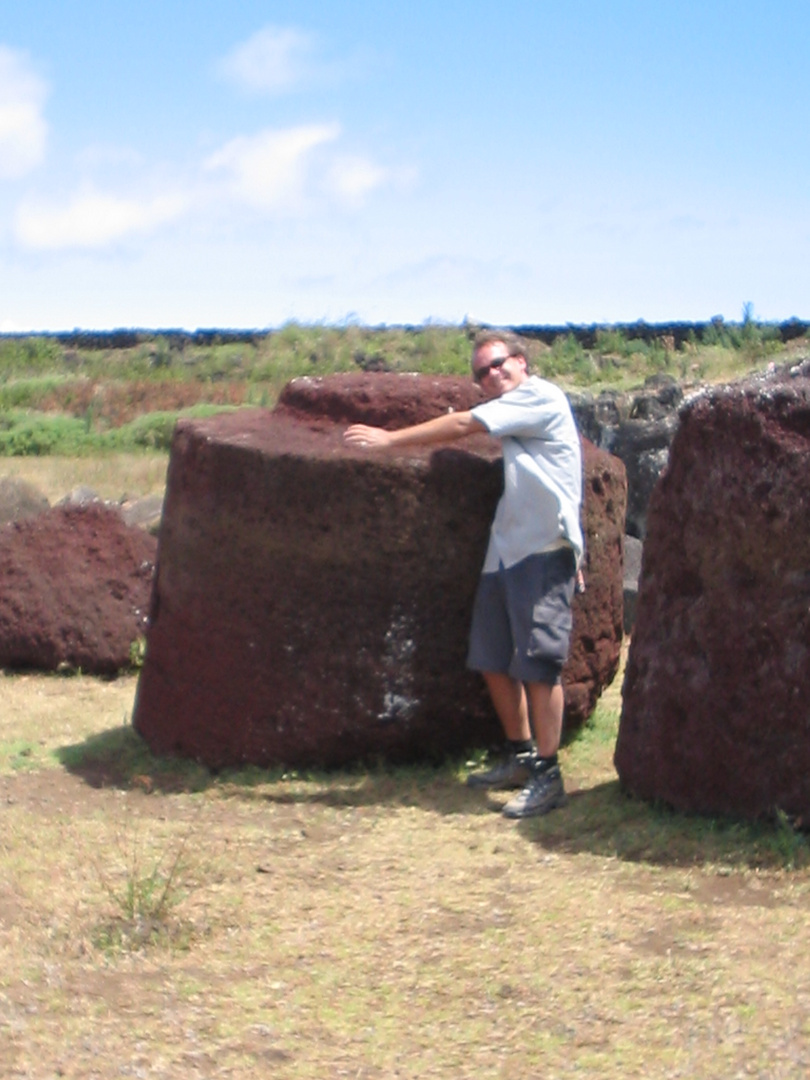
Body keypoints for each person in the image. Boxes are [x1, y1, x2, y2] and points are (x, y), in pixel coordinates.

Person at [343, 330, 583, 818]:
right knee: (492, 657)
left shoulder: (540, 396)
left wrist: (390, 439)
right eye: (482, 372)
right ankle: (518, 754)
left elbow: (460, 426)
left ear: (522, 363)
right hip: (506, 548)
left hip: (543, 546)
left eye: (499, 364)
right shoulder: (514, 412)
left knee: (539, 665)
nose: (492, 375)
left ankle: (548, 772)